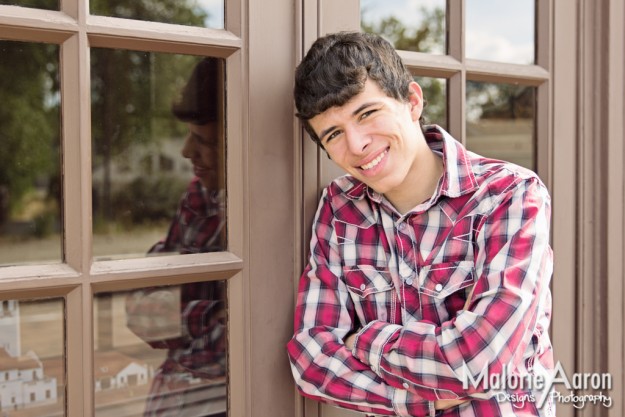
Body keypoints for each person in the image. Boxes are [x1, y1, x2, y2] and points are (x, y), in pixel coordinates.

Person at [286, 31, 555, 417]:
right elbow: (311, 359)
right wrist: (417, 401)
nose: (358, 144)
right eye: (334, 134)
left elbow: (477, 363)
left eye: (367, 113)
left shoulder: (510, 194)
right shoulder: (339, 208)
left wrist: (367, 340)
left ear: (412, 101)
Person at [125, 57, 227, 417]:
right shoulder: (198, 198)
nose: (186, 151)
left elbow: (236, 343)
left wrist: (182, 313)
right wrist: (213, 314)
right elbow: (140, 309)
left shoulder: (272, 218)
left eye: (204, 141)